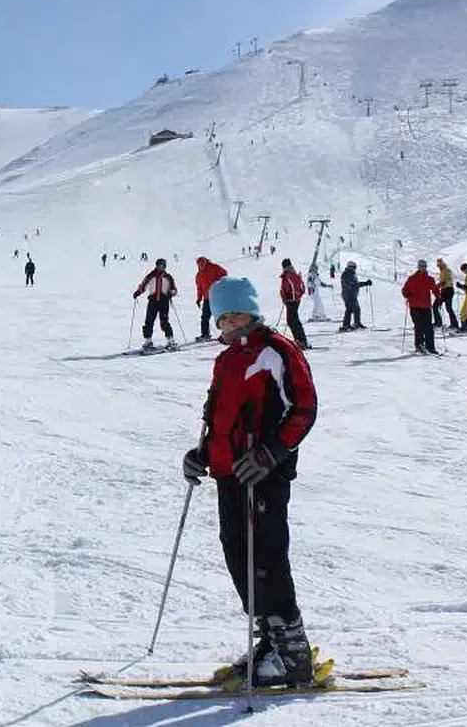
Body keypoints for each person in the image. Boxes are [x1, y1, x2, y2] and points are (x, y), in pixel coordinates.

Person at [181, 276, 318, 687]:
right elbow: (219, 419)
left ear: (253, 312)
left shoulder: (277, 351)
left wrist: (272, 452)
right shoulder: (225, 360)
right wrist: (202, 455)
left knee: (267, 559)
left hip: (264, 475)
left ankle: (293, 656)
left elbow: (304, 409)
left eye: (236, 314)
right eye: (222, 317)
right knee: (238, 556)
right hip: (230, 475)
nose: (229, 323)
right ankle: (270, 641)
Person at [133, 257, 178, 350]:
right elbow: (143, 285)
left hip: (164, 301)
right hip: (153, 301)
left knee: (164, 321)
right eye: (159, 265)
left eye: (162, 266)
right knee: (149, 320)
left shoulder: (168, 277)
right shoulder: (150, 276)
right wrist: (138, 292)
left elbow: (174, 289)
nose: (161, 267)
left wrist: (171, 293)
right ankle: (148, 341)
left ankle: (170, 340)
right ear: (156, 266)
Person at [402, 260, 440, 354]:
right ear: (418, 267)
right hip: (415, 306)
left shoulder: (429, 279)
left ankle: (430, 347)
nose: (423, 268)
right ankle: (419, 346)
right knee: (418, 326)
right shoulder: (412, 278)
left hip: (426, 306)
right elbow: (404, 290)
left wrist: (438, 297)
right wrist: (407, 294)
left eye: (424, 266)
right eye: (421, 266)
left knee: (428, 327)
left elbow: (434, 289)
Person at [194, 256, 228, 341]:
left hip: (217, 296)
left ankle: (227, 333)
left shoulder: (214, 267)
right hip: (207, 299)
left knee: (221, 316)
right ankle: (205, 334)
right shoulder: (199, 275)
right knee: (205, 317)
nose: (201, 266)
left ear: (205, 262)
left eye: (203, 263)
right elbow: (199, 288)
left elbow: (224, 273)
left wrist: (220, 285)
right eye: (199, 264)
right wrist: (199, 299)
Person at [279, 259, 310, 349]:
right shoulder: (293, 274)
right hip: (294, 300)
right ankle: (301, 340)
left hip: (291, 301)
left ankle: (301, 341)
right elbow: (300, 288)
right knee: (294, 320)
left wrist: (288, 297)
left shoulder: (288, 275)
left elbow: (290, 288)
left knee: (292, 321)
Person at [338, 262, 372, 331]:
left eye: (355, 267)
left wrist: (365, 283)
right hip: (348, 295)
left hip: (352, 295)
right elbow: (352, 284)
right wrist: (364, 283)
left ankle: (355, 323)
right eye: (353, 267)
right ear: (349, 267)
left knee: (354, 309)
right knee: (351, 309)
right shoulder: (346, 274)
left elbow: (355, 284)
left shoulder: (351, 274)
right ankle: (348, 325)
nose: (354, 269)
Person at [433, 258, 458, 329]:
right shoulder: (442, 272)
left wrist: (441, 283)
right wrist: (440, 285)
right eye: (438, 266)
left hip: (448, 291)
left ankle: (453, 324)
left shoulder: (447, 270)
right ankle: (439, 322)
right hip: (444, 291)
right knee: (436, 306)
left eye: (440, 265)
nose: (439, 267)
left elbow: (449, 280)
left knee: (447, 308)